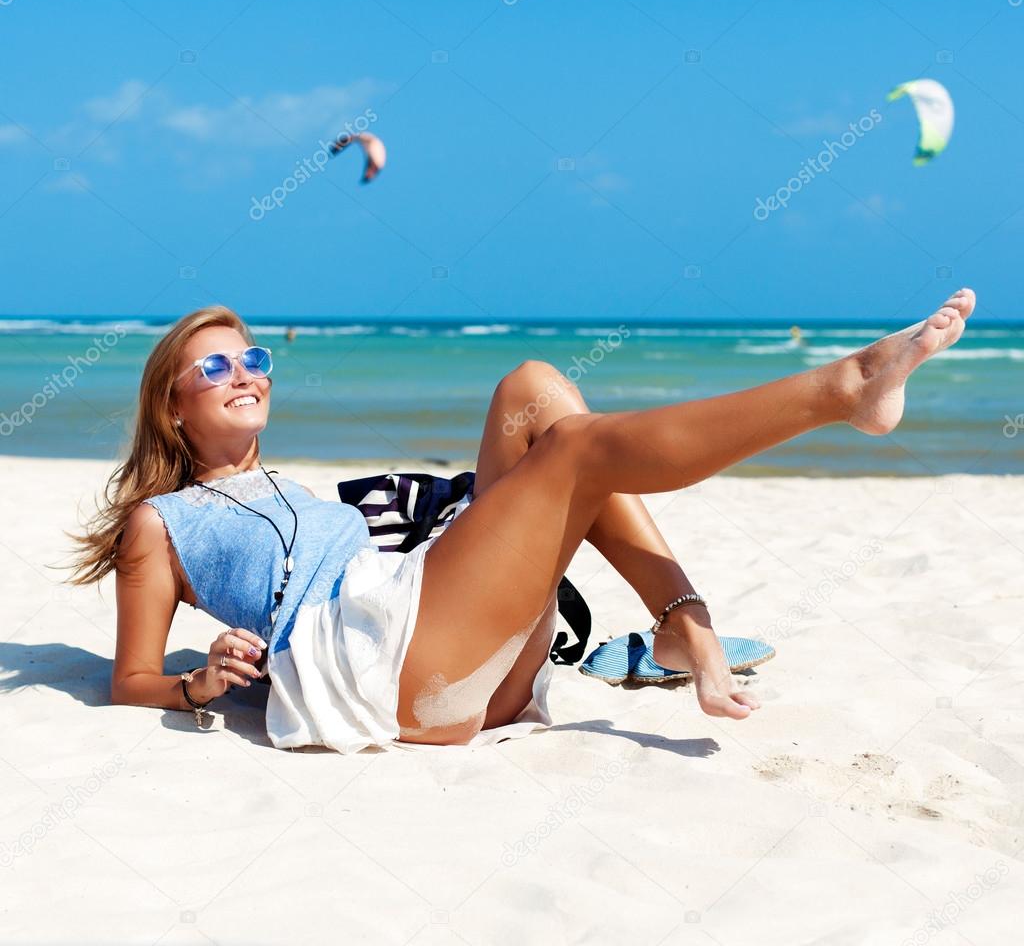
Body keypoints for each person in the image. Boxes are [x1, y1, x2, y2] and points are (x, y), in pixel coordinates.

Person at [66, 289, 976, 752]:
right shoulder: (162, 520)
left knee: (537, 391)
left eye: (252, 357)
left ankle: (679, 626)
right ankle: (842, 388)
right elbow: (130, 678)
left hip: (446, 646)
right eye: (216, 368)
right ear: (171, 407)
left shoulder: (295, 489)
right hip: (387, 674)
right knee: (577, 453)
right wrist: (197, 686)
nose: (246, 373)